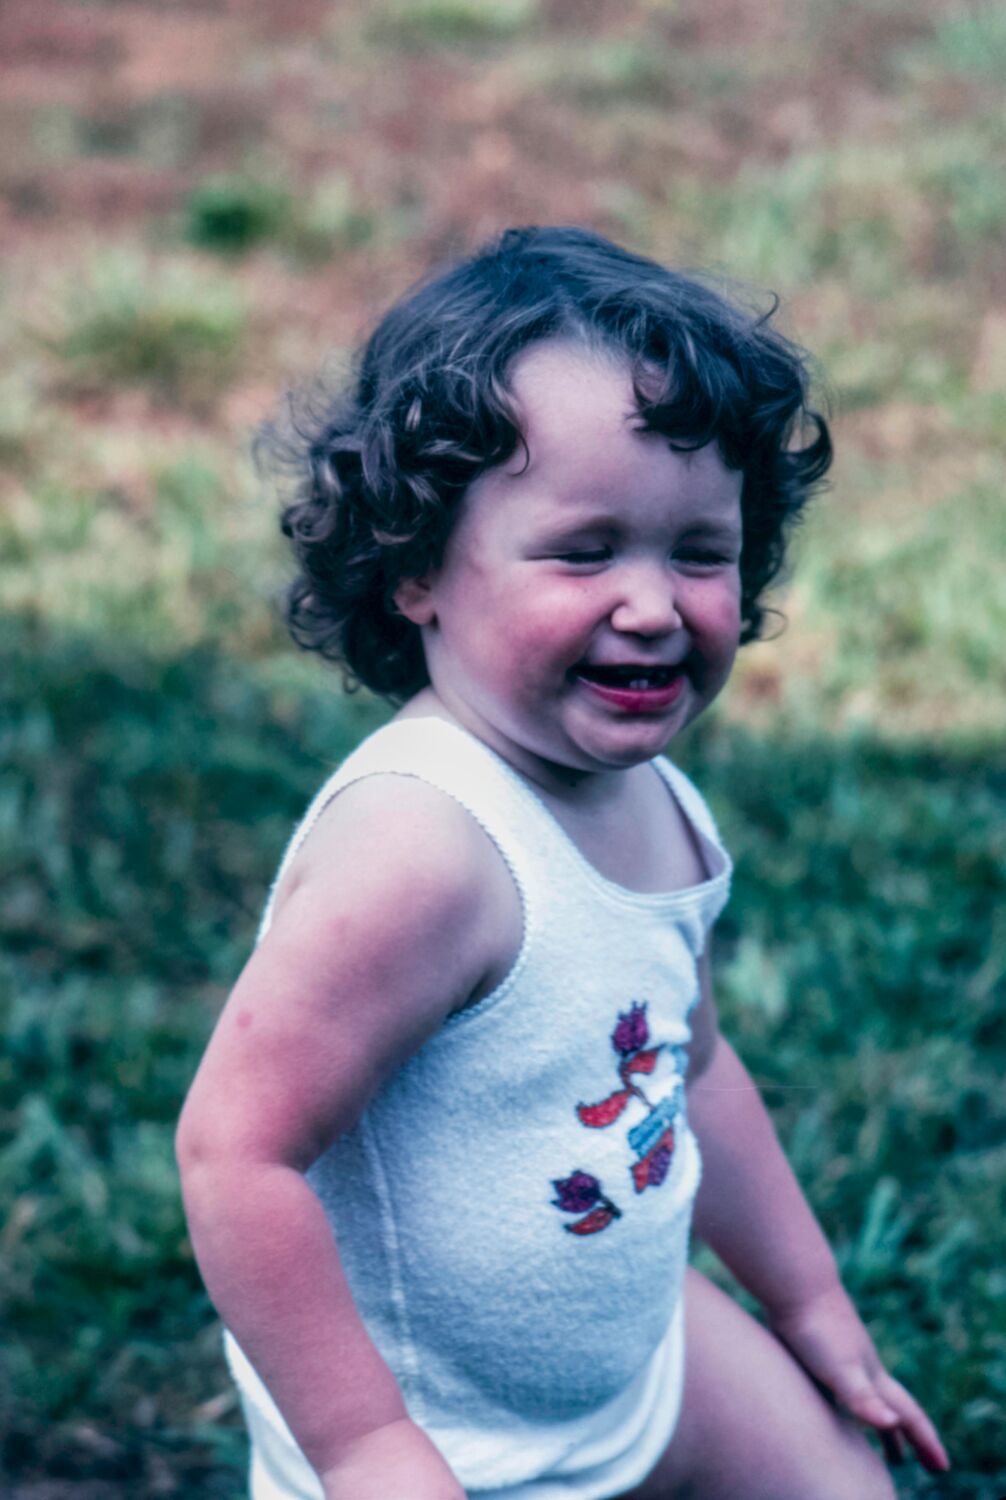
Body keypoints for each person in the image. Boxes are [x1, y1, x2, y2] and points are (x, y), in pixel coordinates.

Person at [176, 226, 949, 1500]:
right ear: (415, 568)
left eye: (698, 552)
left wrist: (808, 1299)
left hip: (636, 1361)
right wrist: (365, 1447)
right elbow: (234, 1154)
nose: (652, 606)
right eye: (584, 552)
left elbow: (692, 1069)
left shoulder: (654, 799)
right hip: (442, 1440)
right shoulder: (422, 852)